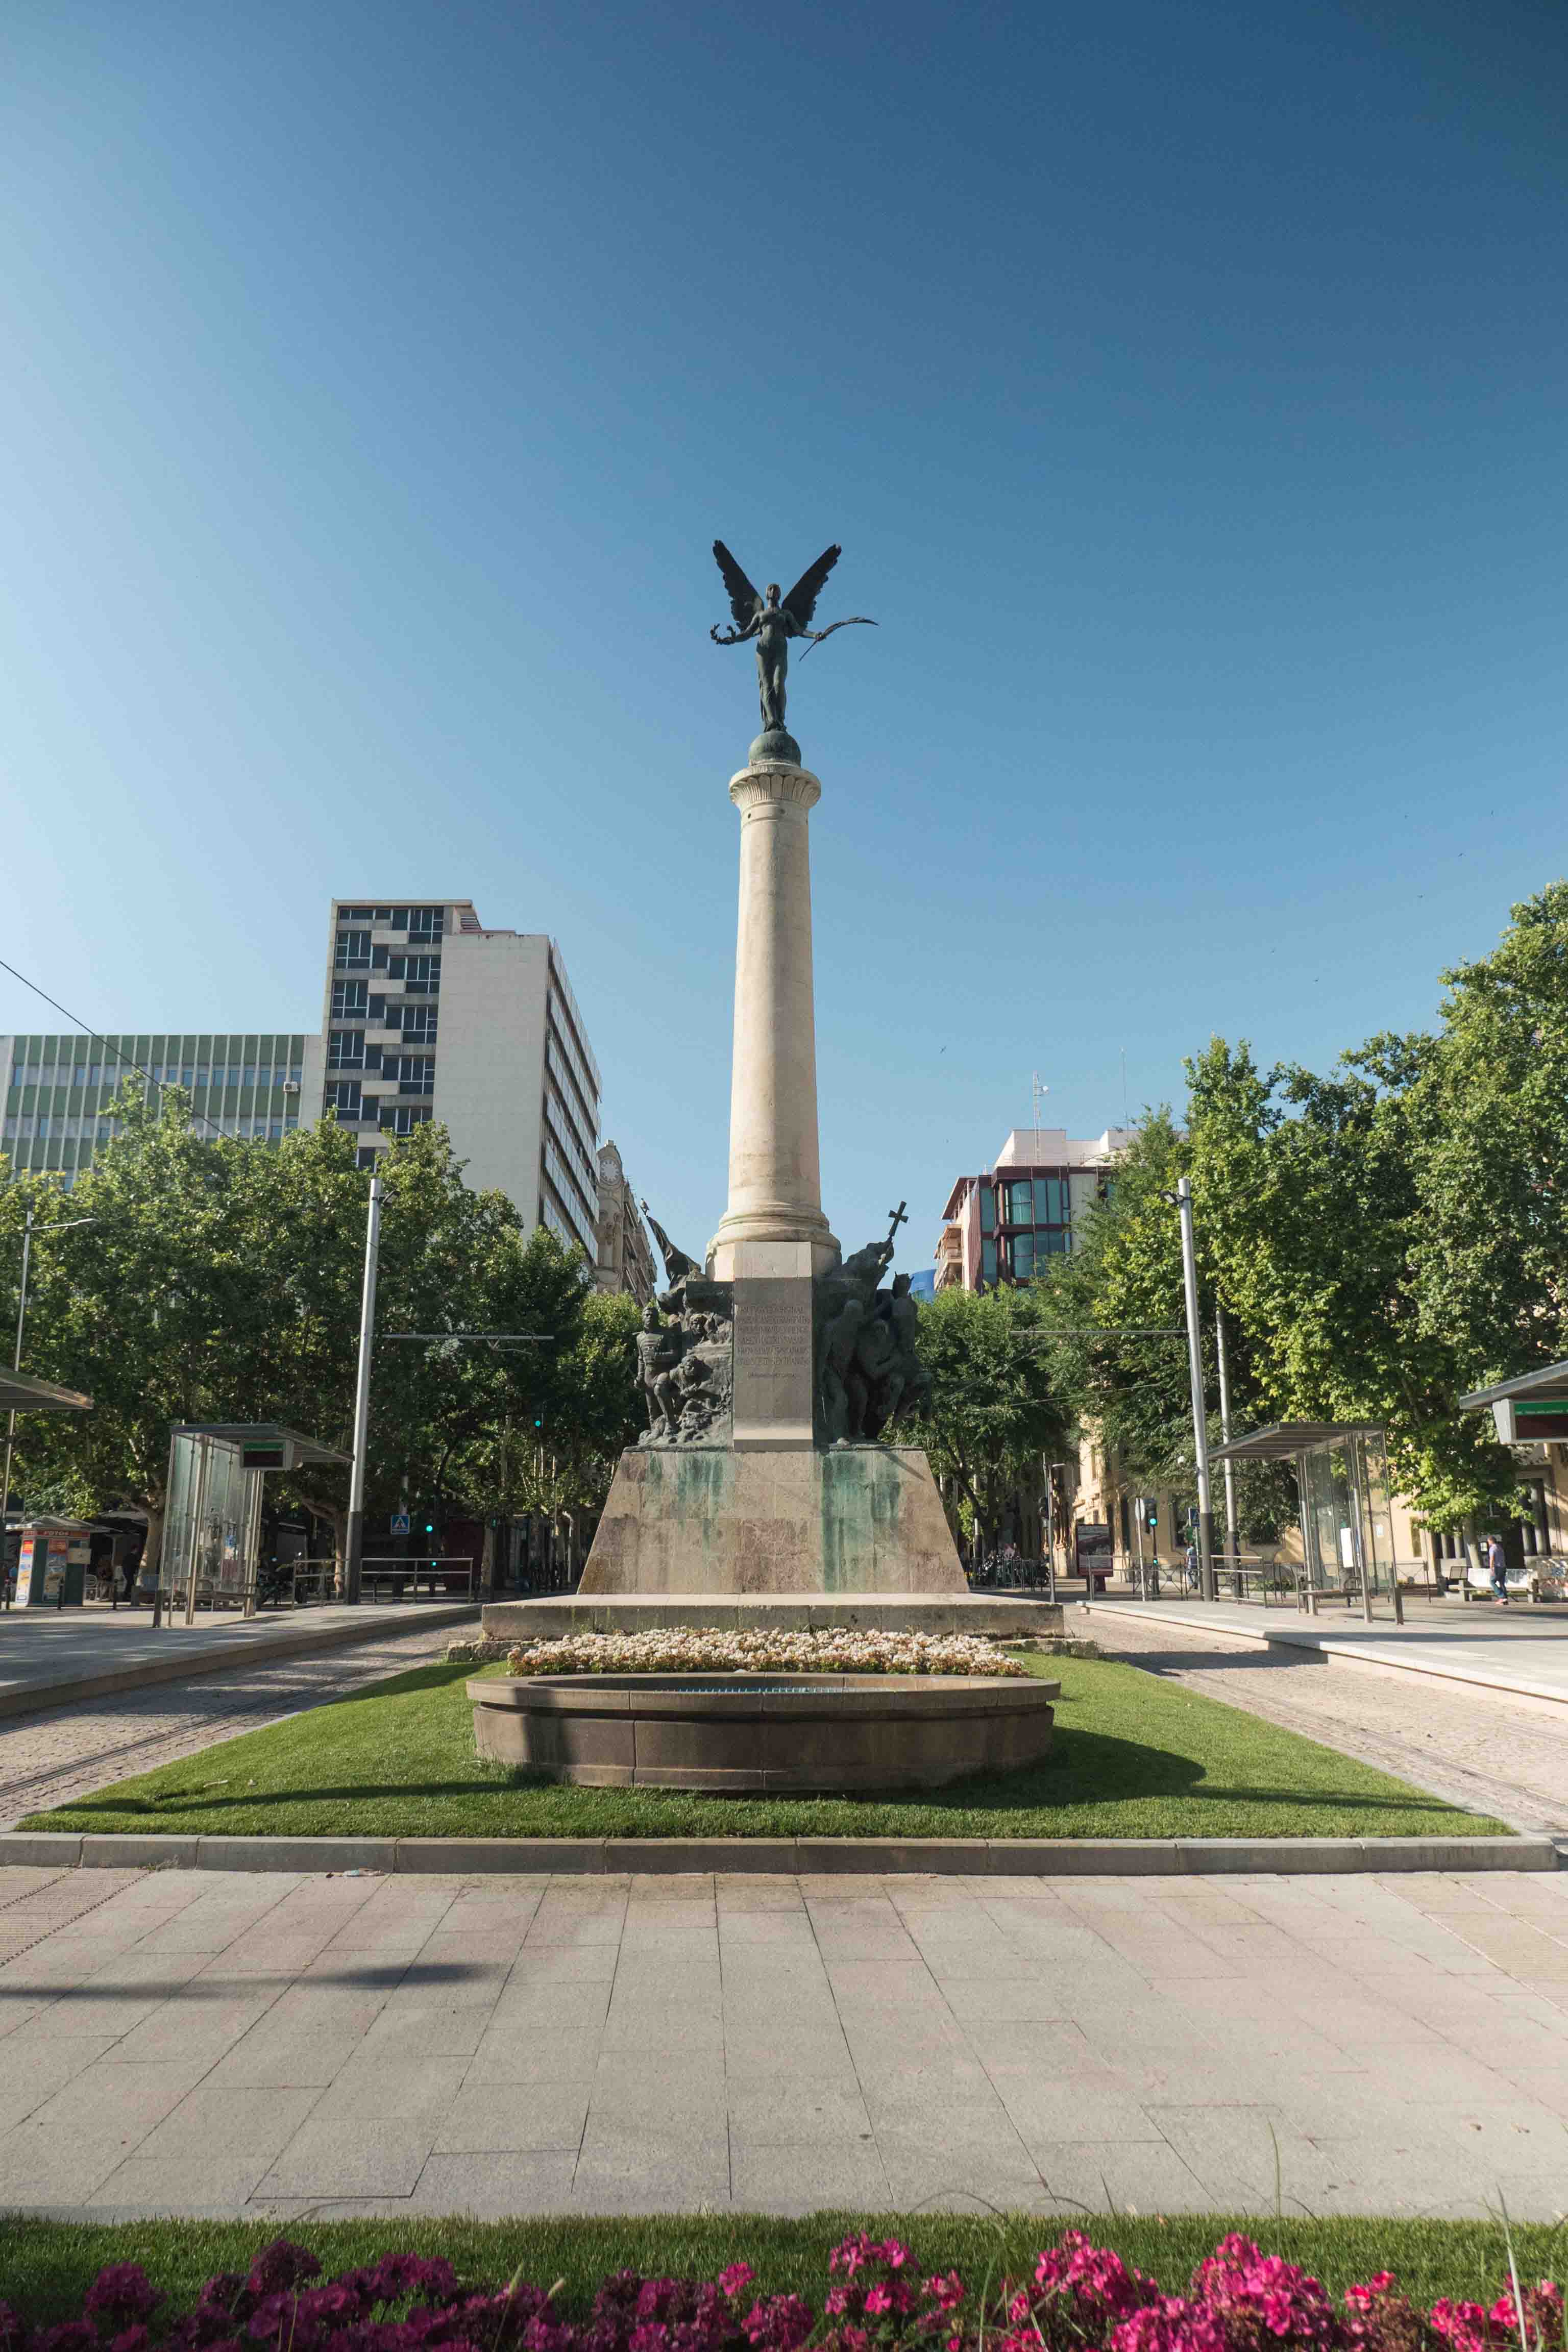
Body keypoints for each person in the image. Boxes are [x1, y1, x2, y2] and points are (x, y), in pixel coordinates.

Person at [1486, 1532, 1509, 1606]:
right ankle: (1505, 1600)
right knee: (1502, 1583)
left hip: (1497, 1568)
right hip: (1503, 1567)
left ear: (1491, 1541)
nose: (1488, 1543)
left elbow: (1492, 1558)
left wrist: (1491, 1568)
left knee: (1492, 1581)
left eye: (1489, 1542)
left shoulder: (1492, 1548)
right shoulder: (1500, 1547)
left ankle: (1501, 1597)